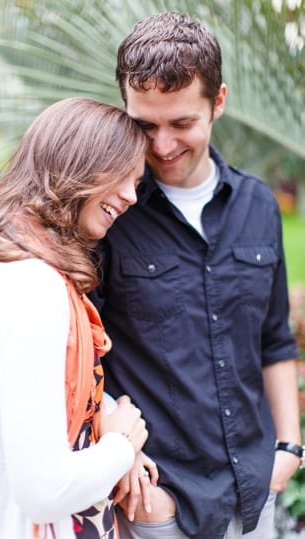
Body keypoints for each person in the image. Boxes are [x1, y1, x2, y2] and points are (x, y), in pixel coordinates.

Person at [92, 12, 302, 538]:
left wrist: (289, 449)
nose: (162, 146)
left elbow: (274, 341)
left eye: (182, 123)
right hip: (161, 501)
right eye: (145, 125)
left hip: (254, 492)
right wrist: (135, 478)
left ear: (219, 102)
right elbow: (81, 351)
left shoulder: (258, 204)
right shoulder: (108, 215)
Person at [0, 97, 155, 539]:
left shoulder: (7, 266)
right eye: (122, 175)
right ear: (76, 163)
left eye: (137, 182)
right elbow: (45, 490)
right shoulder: (33, 286)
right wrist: (122, 445)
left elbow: (42, 398)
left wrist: (106, 422)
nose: (131, 196)